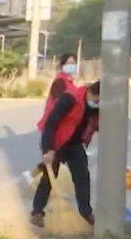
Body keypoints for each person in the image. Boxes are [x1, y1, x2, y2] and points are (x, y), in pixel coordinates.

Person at [31, 80, 100, 227]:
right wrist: (48, 149)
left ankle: (86, 213)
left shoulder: (95, 106)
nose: (98, 103)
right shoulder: (70, 98)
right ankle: (37, 212)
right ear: (90, 92)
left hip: (74, 144)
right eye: (97, 100)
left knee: (82, 176)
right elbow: (51, 123)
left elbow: (98, 125)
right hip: (56, 143)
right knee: (49, 176)